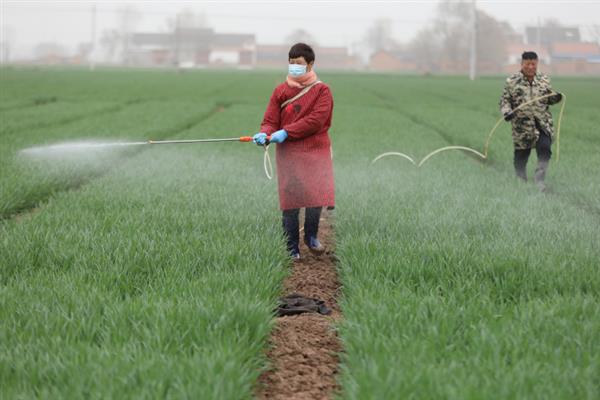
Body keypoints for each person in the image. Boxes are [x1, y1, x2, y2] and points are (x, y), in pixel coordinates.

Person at [253, 43, 335, 260]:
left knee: (315, 196)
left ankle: (311, 237)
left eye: (298, 64)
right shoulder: (280, 91)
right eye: (291, 63)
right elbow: (271, 120)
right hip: (288, 153)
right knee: (290, 200)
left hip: (315, 150)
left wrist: (286, 132)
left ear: (310, 64)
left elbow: (316, 121)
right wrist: (265, 133)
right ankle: (291, 248)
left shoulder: (322, 91)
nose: (294, 67)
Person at [499, 51, 563, 191]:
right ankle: (521, 182)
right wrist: (506, 112)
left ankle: (539, 180)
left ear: (537, 63)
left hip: (542, 123)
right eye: (527, 64)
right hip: (522, 127)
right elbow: (504, 101)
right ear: (522, 64)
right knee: (521, 156)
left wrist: (555, 98)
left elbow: (548, 98)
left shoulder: (544, 79)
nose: (530, 67)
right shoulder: (512, 81)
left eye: (533, 64)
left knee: (545, 149)